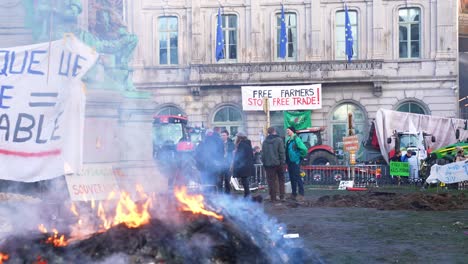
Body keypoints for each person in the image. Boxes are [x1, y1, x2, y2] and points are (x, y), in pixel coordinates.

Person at [261, 127, 286, 202]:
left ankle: (273, 198)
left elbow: (263, 154)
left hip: (268, 165)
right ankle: (282, 196)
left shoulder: (265, 142)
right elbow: (281, 152)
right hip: (278, 164)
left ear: (268, 133)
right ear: (274, 131)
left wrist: (264, 163)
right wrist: (282, 162)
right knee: (281, 180)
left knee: (271, 181)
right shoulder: (279, 140)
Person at [285, 126, 308, 202]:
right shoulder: (288, 140)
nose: (287, 132)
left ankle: (301, 194)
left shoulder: (296, 139)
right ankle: (294, 193)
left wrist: (299, 157)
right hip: (289, 161)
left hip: (295, 161)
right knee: (292, 178)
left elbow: (304, 149)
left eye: (288, 130)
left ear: (292, 131)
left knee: (297, 177)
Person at [232, 132, 255, 197]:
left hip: (243, 165)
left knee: (244, 181)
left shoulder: (241, 145)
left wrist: (235, 154)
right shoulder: (247, 144)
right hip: (247, 165)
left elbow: (240, 156)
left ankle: (247, 195)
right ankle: (247, 194)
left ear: (239, 138)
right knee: (245, 181)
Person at [219, 130, 235, 194]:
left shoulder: (231, 144)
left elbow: (233, 154)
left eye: (224, 135)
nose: (223, 137)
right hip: (220, 164)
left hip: (228, 164)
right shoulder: (219, 144)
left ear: (227, 136)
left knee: (227, 180)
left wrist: (232, 163)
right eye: (222, 135)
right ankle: (220, 194)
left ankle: (227, 194)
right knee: (219, 180)